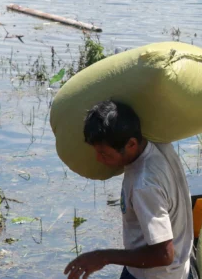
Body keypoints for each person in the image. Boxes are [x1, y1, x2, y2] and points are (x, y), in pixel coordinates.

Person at [64, 100, 194, 279]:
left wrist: (103, 257)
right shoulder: (159, 145)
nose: (99, 160)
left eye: (105, 154)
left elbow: (163, 254)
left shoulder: (144, 185)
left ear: (131, 144)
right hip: (176, 270)